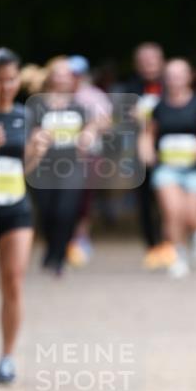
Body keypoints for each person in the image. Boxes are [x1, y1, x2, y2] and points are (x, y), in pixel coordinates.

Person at [139, 58, 196, 278]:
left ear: (189, 76)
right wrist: (146, 150)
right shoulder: (158, 106)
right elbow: (148, 133)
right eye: (171, 75)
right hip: (167, 169)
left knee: (192, 215)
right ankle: (178, 256)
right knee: (172, 212)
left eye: (179, 74)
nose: (175, 79)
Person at [0, 48, 44, 382]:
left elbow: (22, 168)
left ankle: (7, 357)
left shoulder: (24, 116)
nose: (6, 86)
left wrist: (36, 153)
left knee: (13, 282)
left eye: (11, 79)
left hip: (16, 210)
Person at [26, 57, 97, 275]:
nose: (63, 78)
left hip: (71, 165)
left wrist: (88, 135)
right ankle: (51, 249)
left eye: (68, 75)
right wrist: (37, 138)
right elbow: (30, 132)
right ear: (50, 77)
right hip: (44, 166)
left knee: (66, 211)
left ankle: (59, 257)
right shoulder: (37, 105)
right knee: (47, 211)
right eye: (59, 74)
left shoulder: (79, 106)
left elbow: (90, 128)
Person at [117, 42, 172, 269]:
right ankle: (152, 246)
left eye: (152, 60)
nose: (148, 65)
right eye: (144, 61)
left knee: (169, 201)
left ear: (162, 61)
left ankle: (171, 244)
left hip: (171, 151)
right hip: (139, 153)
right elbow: (119, 123)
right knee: (145, 202)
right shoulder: (129, 89)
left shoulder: (173, 86)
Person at [65, 55, 113, 266]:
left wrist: (90, 128)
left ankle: (80, 237)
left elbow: (106, 123)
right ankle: (65, 236)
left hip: (90, 153)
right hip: (62, 155)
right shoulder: (59, 96)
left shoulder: (95, 96)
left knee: (84, 198)